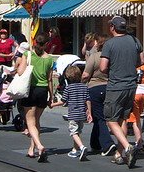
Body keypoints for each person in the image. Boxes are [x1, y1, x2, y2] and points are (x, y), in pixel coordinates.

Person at [100, 15, 144, 168]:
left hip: (116, 86)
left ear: (112, 27)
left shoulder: (109, 44)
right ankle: (120, 154)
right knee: (123, 119)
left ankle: (127, 146)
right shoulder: (134, 40)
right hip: (131, 85)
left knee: (111, 120)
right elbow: (142, 61)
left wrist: (115, 68)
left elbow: (103, 67)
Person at [16, 34, 54, 162]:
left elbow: (20, 72)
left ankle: (39, 145)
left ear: (35, 42)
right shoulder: (49, 59)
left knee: (30, 122)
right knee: (37, 121)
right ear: (46, 44)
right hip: (43, 91)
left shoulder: (28, 55)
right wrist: (51, 96)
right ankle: (32, 149)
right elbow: (50, 79)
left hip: (31, 89)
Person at [81, 34, 116, 156]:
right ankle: (95, 143)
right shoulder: (113, 57)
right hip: (110, 87)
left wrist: (81, 82)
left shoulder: (95, 57)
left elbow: (86, 74)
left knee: (100, 117)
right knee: (98, 116)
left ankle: (107, 144)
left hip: (95, 88)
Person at [52, 64, 91, 161]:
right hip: (82, 113)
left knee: (73, 132)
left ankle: (82, 147)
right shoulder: (84, 87)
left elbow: (63, 101)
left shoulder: (68, 88)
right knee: (78, 131)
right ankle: (75, 149)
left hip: (73, 113)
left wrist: (53, 104)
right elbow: (88, 100)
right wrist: (89, 112)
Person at [127, 61, 144, 153]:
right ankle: (140, 141)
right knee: (137, 117)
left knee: (135, 120)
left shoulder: (132, 65)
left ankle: (139, 143)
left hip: (136, 92)